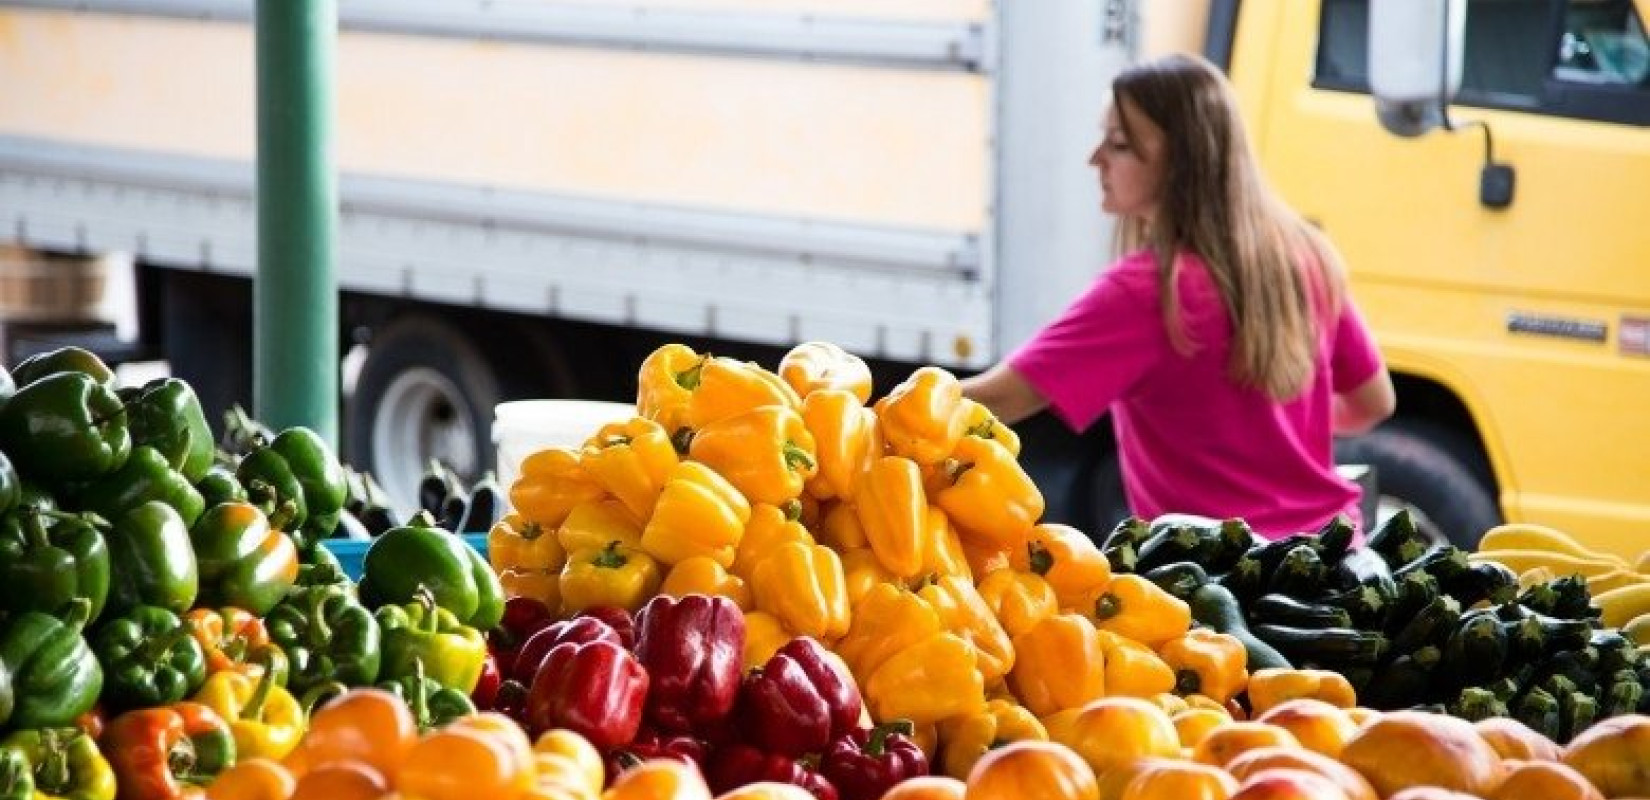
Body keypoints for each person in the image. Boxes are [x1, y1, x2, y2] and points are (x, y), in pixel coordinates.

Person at [961, 53, 1395, 538]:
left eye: (1119, 144)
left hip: (1220, 579)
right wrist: (1277, 434)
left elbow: (996, 400)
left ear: (1180, 164)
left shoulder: (1147, 291)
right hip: (1332, 558)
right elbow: (1373, 402)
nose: (1095, 158)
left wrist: (866, 403)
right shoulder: (1303, 255)